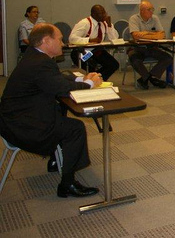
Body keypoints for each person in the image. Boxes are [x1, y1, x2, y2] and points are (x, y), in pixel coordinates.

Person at [0, 24, 103, 198]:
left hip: (14, 120)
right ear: (46, 41)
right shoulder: (41, 63)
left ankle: (55, 159)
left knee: (60, 110)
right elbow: (62, 89)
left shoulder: (35, 57)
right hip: (22, 127)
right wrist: (90, 84)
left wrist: (79, 77)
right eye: (60, 39)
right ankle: (67, 184)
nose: (62, 43)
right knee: (75, 128)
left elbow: (54, 79)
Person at [127, 0, 172, 90]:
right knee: (135, 60)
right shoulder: (134, 19)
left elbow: (162, 35)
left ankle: (146, 78)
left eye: (152, 9)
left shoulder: (155, 18)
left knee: (168, 58)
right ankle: (151, 79)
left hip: (152, 47)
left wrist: (144, 34)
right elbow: (135, 36)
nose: (152, 12)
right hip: (137, 48)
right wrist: (153, 35)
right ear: (142, 10)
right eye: (149, 10)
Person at [69, 4, 120, 80]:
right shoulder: (85, 23)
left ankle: (98, 79)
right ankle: (94, 79)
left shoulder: (105, 23)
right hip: (83, 52)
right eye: (101, 14)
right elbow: (72, 38)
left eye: (104, 13)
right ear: (93, 15)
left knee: (113, 64)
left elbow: (115, 39)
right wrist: (89, 40)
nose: (104, 15)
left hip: (96, 51)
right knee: (91, 67)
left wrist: (109, 26)